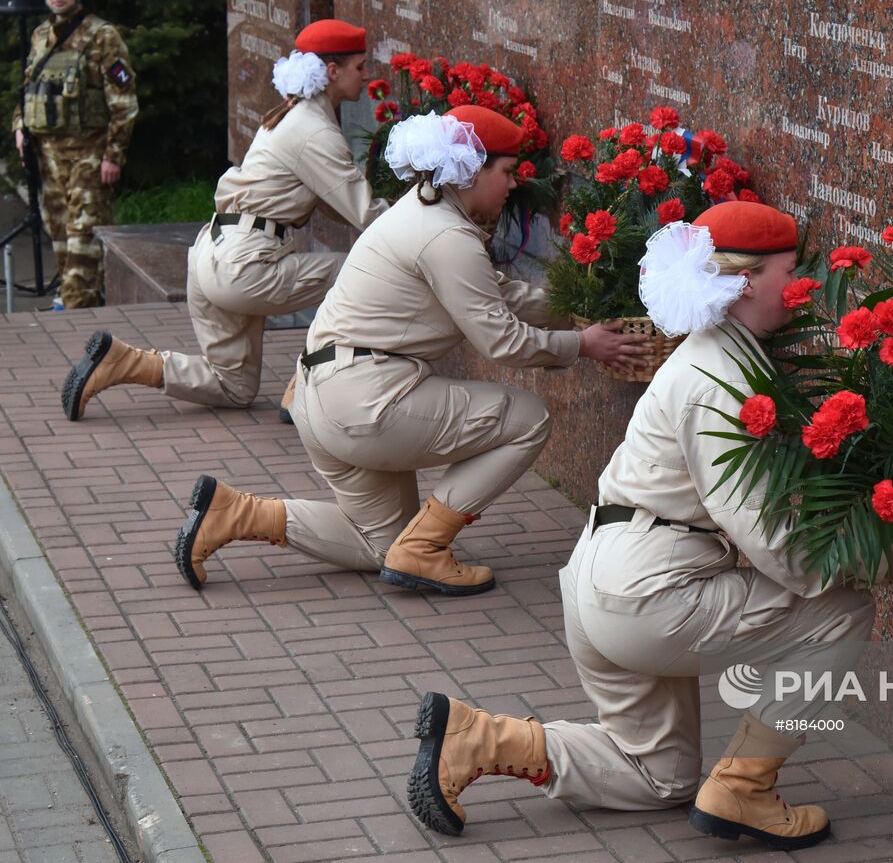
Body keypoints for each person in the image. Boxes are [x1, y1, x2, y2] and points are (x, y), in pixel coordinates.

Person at [402, 202, 893, 849]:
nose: (806, 287)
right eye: (793, 271)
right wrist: (881, 559)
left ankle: (478, 739)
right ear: (742, 282)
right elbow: (770, 541)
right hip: (648, 596)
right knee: (841, 611)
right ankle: (745, 789)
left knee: (659, 776)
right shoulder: (724, 380)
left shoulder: (719, 355)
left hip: (602, 582)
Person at [168, 104, 650, 596]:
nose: (512, 185)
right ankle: (426, 548)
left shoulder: (422, 209)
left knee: (380, 545)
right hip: (366, 402)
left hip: (322, 396)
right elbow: (501, 340)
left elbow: (495, 293)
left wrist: (575, 307)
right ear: (470, 170)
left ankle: (236, 513)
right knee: (528, 419)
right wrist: (583, 345)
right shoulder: (448, 235)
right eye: (506, 172)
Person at [59, 19, 388, 423]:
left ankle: (125, 362)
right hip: (245, 267)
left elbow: (337, 202)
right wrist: (437, 217)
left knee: (234, 387)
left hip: (210, 255)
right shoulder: (314, 130)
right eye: (360, 65)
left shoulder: (292, 115)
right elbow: (367, 214)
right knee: (359, 272)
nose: (367, 74)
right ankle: (306, 383)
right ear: (333, 72)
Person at [11, 0, 137, 310]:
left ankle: (74, 320)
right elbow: (26, 91)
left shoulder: (102, 37)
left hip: (88, 155)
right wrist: (21, 128)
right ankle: (75, 310)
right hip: (47, 158)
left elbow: (124, 102)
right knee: (62, 242)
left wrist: (113, 156)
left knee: (83, 244)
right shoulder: (40, 36)